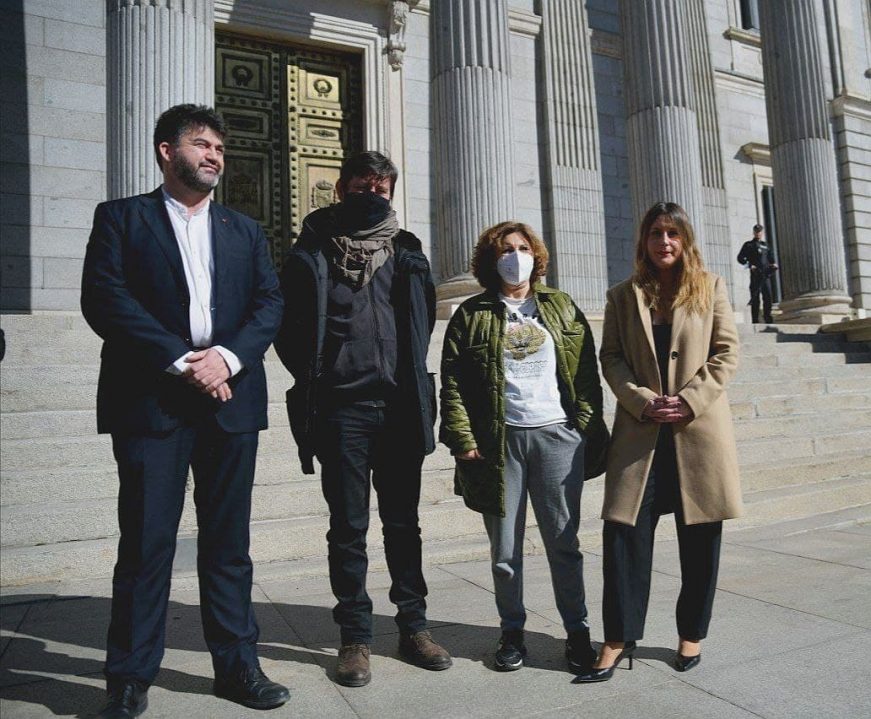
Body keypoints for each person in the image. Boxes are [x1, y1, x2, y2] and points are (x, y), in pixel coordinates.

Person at [81, 104, 288, 718]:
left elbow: (269, 304)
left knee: (229, 545)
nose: (214, 155)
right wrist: (182, 361)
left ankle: (238, 667)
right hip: (152, 402)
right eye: (201, 144)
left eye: (220, 148)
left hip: (230, 401)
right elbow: (105, 299)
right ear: (165, 151)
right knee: (146, 545)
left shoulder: (244, 230)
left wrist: (225, 358)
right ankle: (128, 677)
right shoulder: (121, 218)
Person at [274, 151, 451, 687]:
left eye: (381, 183)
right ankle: (354, 637)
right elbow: (288, 329)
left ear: (390, 191)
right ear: (342, 188)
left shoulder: (409, 252)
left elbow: (421, 322)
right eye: (361, 182)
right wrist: (317, 376)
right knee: (348, 528)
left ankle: (414, 627)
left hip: (399, 408)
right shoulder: (311, 251)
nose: (372, 190)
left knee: (404, 525)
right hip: (341, 410)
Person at [575, 201, 743, 683]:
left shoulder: (710, 288)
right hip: (640, 434)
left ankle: (691, 633)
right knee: (624, 535)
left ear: (685, 241)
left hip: (698, 432)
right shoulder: (622, 295)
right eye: (655, 234)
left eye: (672, 234)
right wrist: (642, 398)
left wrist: (690, 399)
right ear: (643, 242)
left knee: (701, 539)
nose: (664, 243)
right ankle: (616, 638)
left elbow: (727, 353)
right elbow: (611, 358)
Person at [439, 221, 610, 673]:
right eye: (505, 250)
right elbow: (452, 381)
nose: (515, 256)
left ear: (536, 255)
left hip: (557, 436)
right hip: (499, 441)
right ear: (490, 261)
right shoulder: (472, 313)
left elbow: (586, 374)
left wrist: (585, 426)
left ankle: (577, 632)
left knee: (564, 543)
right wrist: (462, 437)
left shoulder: (561, 307)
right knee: (505, 551)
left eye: (522, 248)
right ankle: (512, 631)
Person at [736, 224, 777, 324]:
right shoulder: (748, 245)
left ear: (762, 233)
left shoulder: (766, 245)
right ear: (753, 232)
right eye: (756, 231)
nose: (758, 233)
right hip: (756, 274)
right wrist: (750, 265)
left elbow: (771, 259)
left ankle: (767, 317)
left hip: (765, 275)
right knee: (755, 298)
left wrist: (774, 265)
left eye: (760, 231)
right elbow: (740, 258)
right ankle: (755, 320)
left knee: (767, 296)